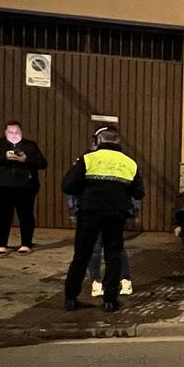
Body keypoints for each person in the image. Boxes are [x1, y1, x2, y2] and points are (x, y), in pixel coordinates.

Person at [62, 126, 144, 312]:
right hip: (116, 214)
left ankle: (71, 298)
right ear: (118, 141)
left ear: (98, 140)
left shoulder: (88, 159)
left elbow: (67, 186)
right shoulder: (129, 162)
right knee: (113, 255)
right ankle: (109, 301)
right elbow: (138, 192)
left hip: (89, 213)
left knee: (82, 255)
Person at [0, 121, 47, 254]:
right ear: (5, 133)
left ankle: (26, 244)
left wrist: (25, 159)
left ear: (22, 132)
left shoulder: (30, 145)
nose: (14, 135)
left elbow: (42, 163)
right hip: (1, 186)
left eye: (17, 132)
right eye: (11, 132)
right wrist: (4, 156)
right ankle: (1, 244)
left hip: (26, 186)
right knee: (3, 215)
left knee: (26, 215)